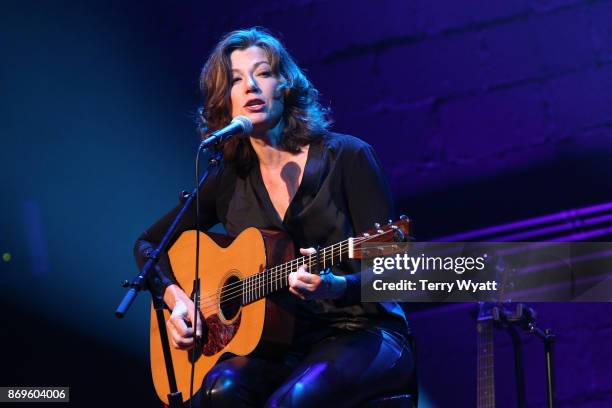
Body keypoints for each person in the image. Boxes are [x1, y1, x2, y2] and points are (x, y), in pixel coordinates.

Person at [134, 27, 415, 407]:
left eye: (263, 73)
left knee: (292, 402)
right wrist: (177, 300)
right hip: (282, 345)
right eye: (235, 80)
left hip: (362, 331)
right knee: (221, 389)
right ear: (225, 101)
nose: (250, 86)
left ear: (285, 85)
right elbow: (148, 245)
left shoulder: (348, 157)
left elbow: (397, 269)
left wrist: (339, 286)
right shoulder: (228, 180)